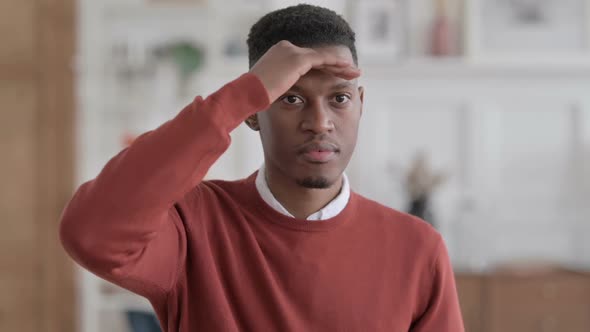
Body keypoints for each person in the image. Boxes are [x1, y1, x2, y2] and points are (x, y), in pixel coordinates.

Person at [60, 4, 464, 331]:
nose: (320, 121)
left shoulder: (418, 250)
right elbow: (90, 233)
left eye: (339, 99)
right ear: (253, 113)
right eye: (290, 99)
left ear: (361, 104)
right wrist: (241, 95)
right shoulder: (192, 226)